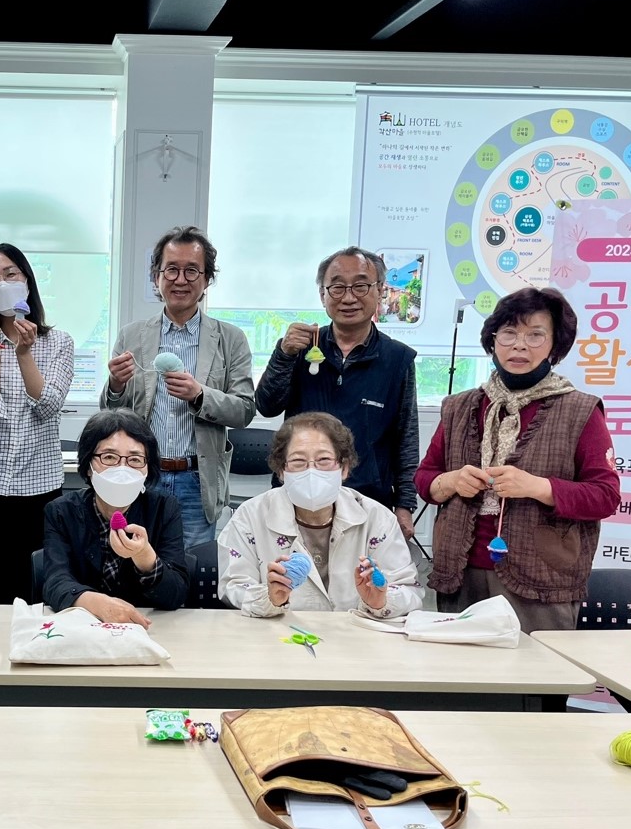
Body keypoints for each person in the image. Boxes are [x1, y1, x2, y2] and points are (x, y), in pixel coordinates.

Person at [416, 287, 620, 633]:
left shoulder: (580, 410)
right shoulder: (460, 406)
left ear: (555, 346)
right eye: (508, 333)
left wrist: (540, 487)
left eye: (535, 335)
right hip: (460, 572)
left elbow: (605, 495)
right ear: (493, 340)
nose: (519, 345)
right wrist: (450, 481)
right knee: (457, 680)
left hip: (540, 583)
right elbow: (425, 478)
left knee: (533, 682)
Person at [254, 246, 420, 541]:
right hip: (297, 497)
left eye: (360, 286)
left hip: (367, 501)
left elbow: (405, 437)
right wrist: (283, 355)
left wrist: (405, 504)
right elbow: (267, 405)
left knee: (362, 584)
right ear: (322, 294)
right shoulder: (300, 345)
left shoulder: (397, 359)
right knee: (291, 582)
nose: (348, 297)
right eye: (337, 287)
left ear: (380, 291)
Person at [104, 226, 254, 548]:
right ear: (156, 277)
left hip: (197, 480)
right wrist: (115, 384)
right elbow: (111, 414)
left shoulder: (230, 339)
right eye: (171, 269)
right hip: (143, 476)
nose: (180, 279)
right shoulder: (132, 335)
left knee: (190, 574)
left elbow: (244, 410)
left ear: (206, 279)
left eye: (191, 271)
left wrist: (200, 395)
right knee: (134, 562)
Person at [218, 411, 421, 618]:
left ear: (344, 467)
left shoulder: (376, 518)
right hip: (278, 636)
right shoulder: (250, 517)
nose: (311, 471)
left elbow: (408, 589)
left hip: (354, 638)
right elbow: (232, 585)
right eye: (298, 461)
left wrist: (381, 601)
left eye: (324, 460)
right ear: (281, 471)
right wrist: (269, 597)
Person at [0, 243, 74, 603]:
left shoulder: (58, 342)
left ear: (27, 280)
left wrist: (24, 355)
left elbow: (48, 406)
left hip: (39, 488)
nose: (1, 284)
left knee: (36, 592)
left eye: (10, 274)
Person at [42, 409, 188, 625]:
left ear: (148, 468)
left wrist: (145, 557)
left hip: (147, 628)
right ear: (89, 466)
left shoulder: (164, 508)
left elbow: (177, 594)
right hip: (81, 628)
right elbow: (55, 581)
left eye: (135, 459)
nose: (122, 468)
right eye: (109, 457)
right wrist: (97, 603)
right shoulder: (62, 511)